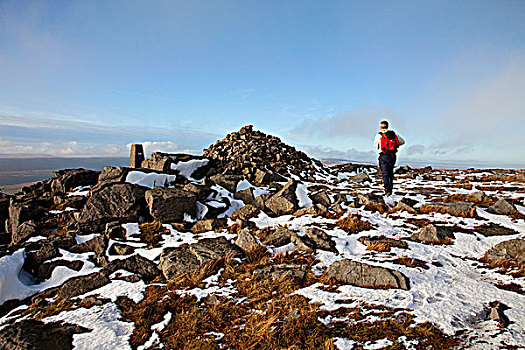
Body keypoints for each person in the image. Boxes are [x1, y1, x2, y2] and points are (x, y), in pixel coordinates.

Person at [374, 120, 405, 196]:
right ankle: (390, 189)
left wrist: (381, 147)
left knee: (385, 173)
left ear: (381, 126)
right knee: (390, 172)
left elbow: (376, 145)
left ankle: (387, 190)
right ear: (387, 126)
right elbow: (402, 142)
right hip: (392, 156)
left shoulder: (379, 135)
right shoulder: (394, 133)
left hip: (383, 155)